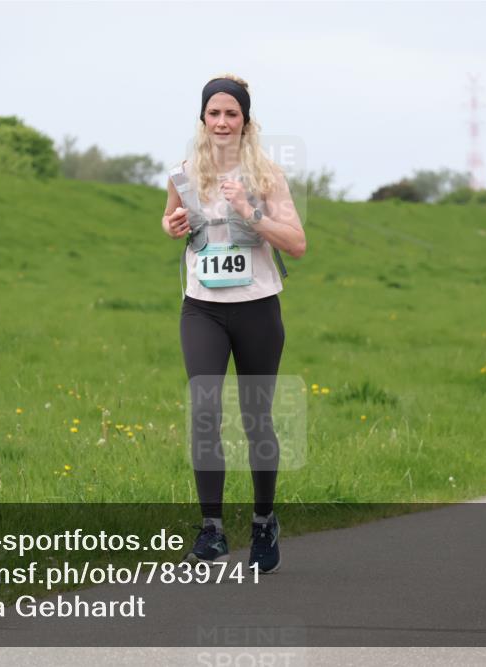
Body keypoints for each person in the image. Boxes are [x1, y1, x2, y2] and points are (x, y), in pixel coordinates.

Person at [161, 74, 306, 574]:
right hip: (201, 307)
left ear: (246, 122)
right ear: (203, 118)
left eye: (232, 114)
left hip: (257, 307)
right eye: (214, 113)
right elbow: (171, 218)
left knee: (255, 418)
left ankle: (264, 522)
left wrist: (252, 213)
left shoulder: (266, 176)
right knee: (204, 410)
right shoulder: (182, 173)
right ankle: (212, 532)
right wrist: (172, 225)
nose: (222, 122)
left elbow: (297, 243)